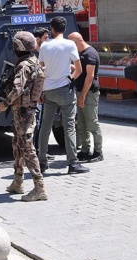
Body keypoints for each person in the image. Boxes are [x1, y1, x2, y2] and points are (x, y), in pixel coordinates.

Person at [0, 31, 47, 202]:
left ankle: (39, 188)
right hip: (24, 111)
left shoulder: (24, 65)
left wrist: (5, 104)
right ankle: (17, 182)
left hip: (25, 112)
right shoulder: (33, 61)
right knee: (17, 144)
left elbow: (17, 89)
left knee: (27, 147)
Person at [37, 16, 90, 174]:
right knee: (69, 127)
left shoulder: (44, 46)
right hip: (65, 90)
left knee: (45, 127)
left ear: (52, 29)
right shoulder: (69, 45)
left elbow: (42, 69)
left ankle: (42, 162)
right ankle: (73, 163)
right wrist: (69, 79)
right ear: (64, 29)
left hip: (48, 90)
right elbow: (79, 70)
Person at [68, 32, 103, 162]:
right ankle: (85, 150)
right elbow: (80, 70)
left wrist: (82, 95)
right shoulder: (81, 54)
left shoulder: (90, 54)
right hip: (80, 91)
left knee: (92, 123)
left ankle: (98, 151)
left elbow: (90, 76)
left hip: (89, 92)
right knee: (82, 123)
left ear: (77, 42)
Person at [32, 27, 49, 152]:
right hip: (36, 95)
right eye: (45, 38)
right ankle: (36, 150)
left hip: (46, 93)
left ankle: (41, 150)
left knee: (43, 123)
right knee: (36, 123)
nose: (48, 40)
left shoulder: (46, 52)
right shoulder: (32, 55)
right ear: (37, 39)